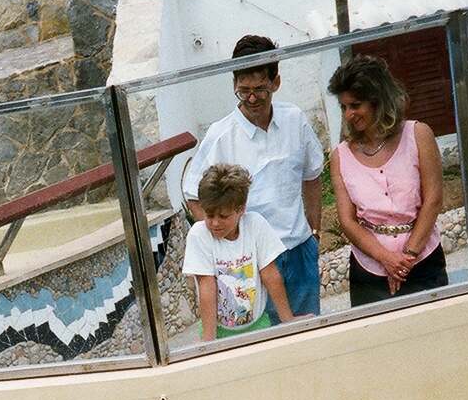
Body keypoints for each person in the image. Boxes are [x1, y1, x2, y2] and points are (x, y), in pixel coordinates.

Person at [182, 34, 325, 319]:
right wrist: (228, 245)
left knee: (311, 337)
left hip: (299, 252)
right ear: (234, 84)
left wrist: (314, 232)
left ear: (276, 83)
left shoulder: (295, 119)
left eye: (260, 89)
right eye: (243, 89)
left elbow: (313, 176)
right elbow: (192, 195)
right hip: (251, 264)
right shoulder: (220, 136)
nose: (251, 98)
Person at [327, 54, 449, 306]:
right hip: (369, 269)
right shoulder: (341, 156)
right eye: (343, 107)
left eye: (356, 105)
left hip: (423, 260)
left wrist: (405, 258)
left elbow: (433, 200)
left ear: (378, 101)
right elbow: (347, 221)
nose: (348, 114)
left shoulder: (418, 135)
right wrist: (385, 258)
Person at [182, 163, 294, 341]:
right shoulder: (199, 235)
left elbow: (270, 275)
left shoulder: (256, 225)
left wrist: (288, 321)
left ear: (241, 209)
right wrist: (209, 339)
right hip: (217, 330)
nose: (215, 223)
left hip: (257, 324)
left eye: (223, 216)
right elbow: (206, 285)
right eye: (209, 215)